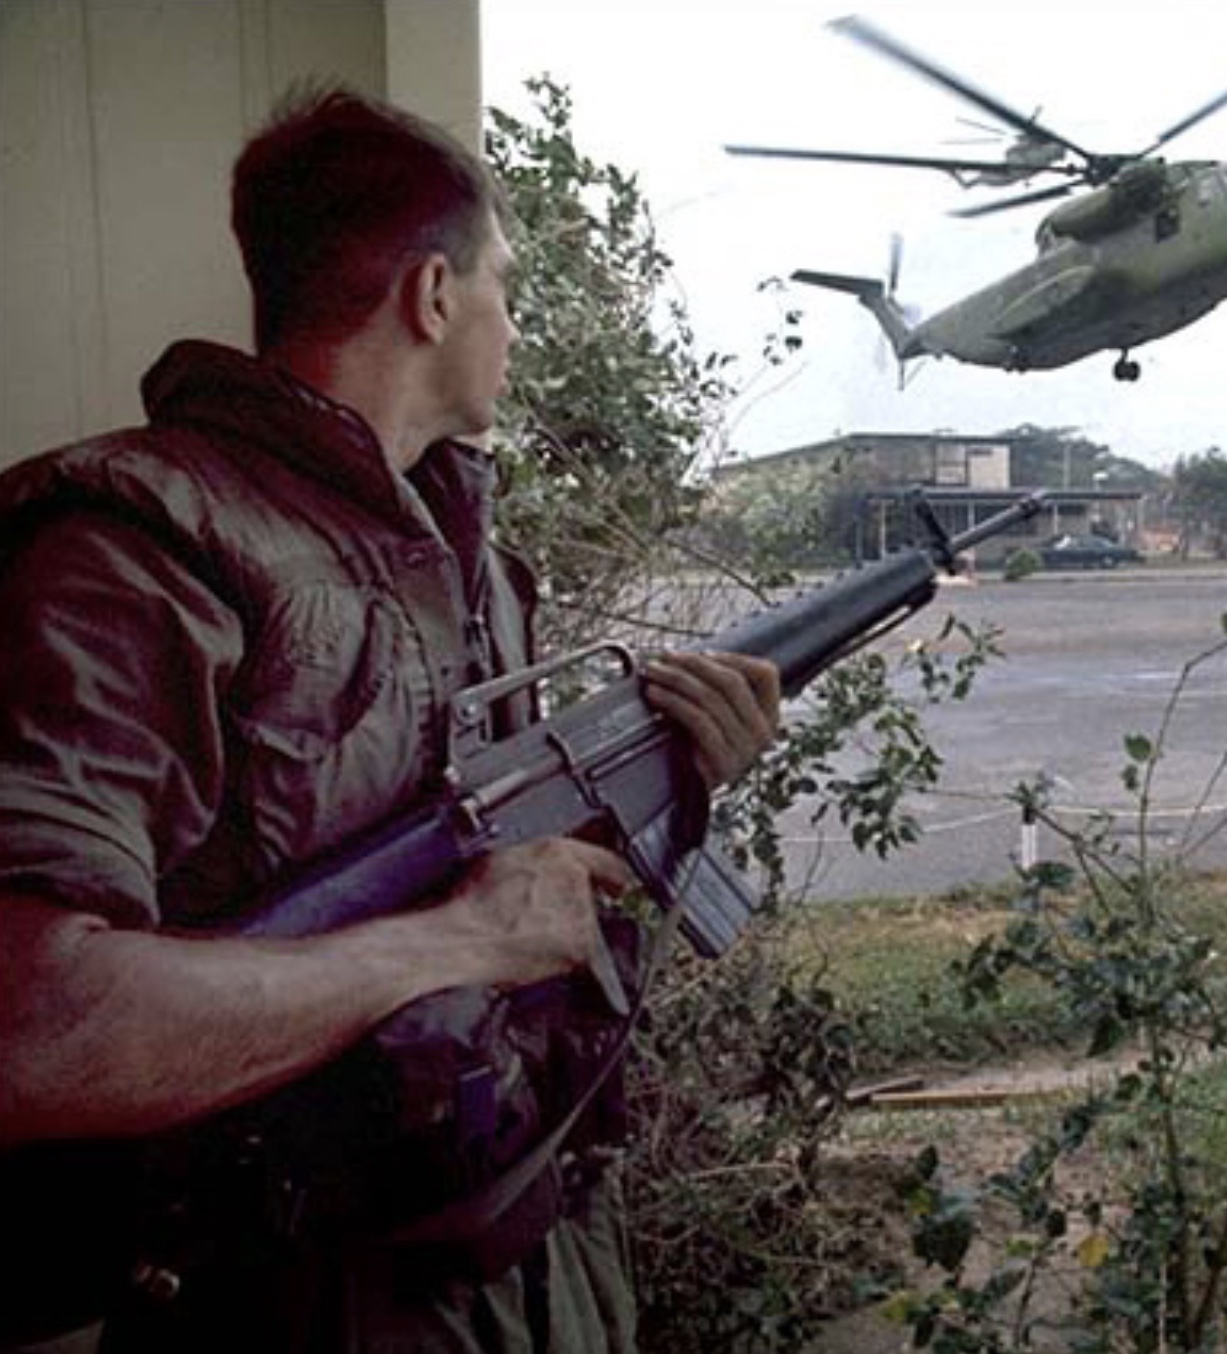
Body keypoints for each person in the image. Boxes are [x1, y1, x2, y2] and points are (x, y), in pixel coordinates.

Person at [0, 86, 781, 1351]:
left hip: (529, 1255)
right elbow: (33, 1027)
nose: (512, 328)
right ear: (431, 297)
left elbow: (504, 872)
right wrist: (454, 943)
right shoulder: (136, 549)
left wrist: (679, 773)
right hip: (288, 1300)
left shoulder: (464, 557)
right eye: (505, 289)